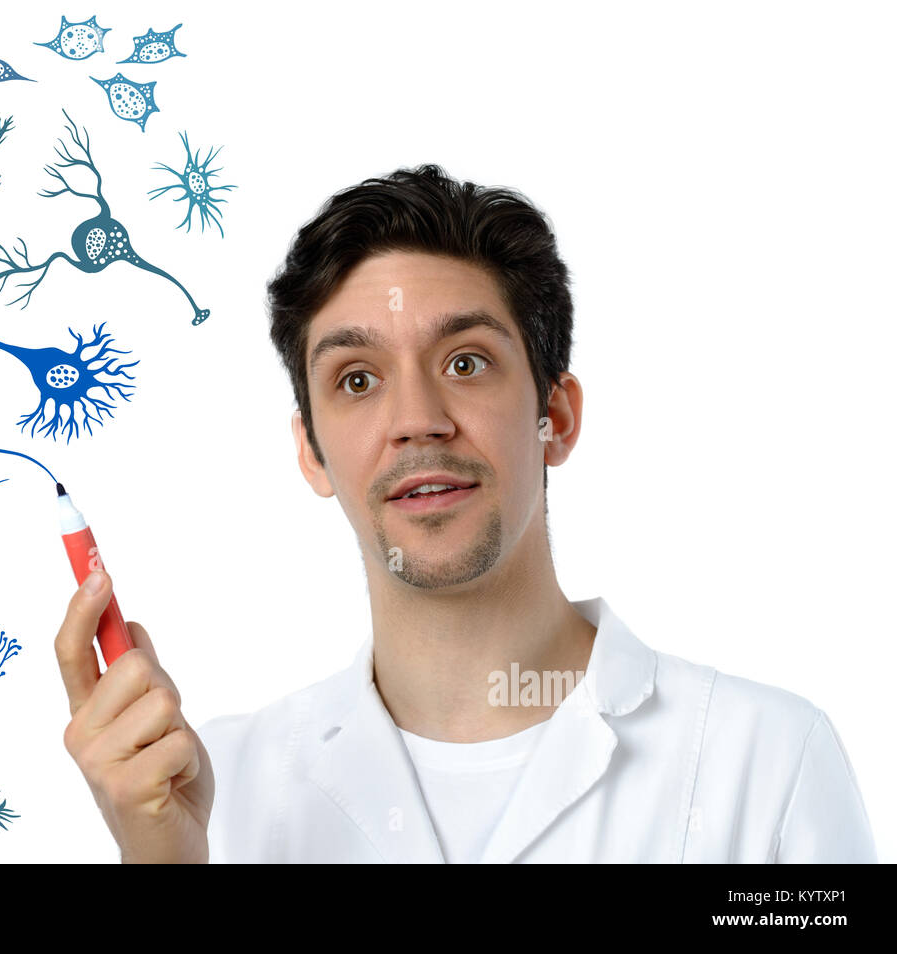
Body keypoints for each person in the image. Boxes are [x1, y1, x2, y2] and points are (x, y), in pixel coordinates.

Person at [53, 165, 878, 863]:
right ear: (312, 453)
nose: (418, 417)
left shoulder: (766, 764)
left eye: (466, 361)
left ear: (556, 415)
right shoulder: (208, 795)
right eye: (357, 379)